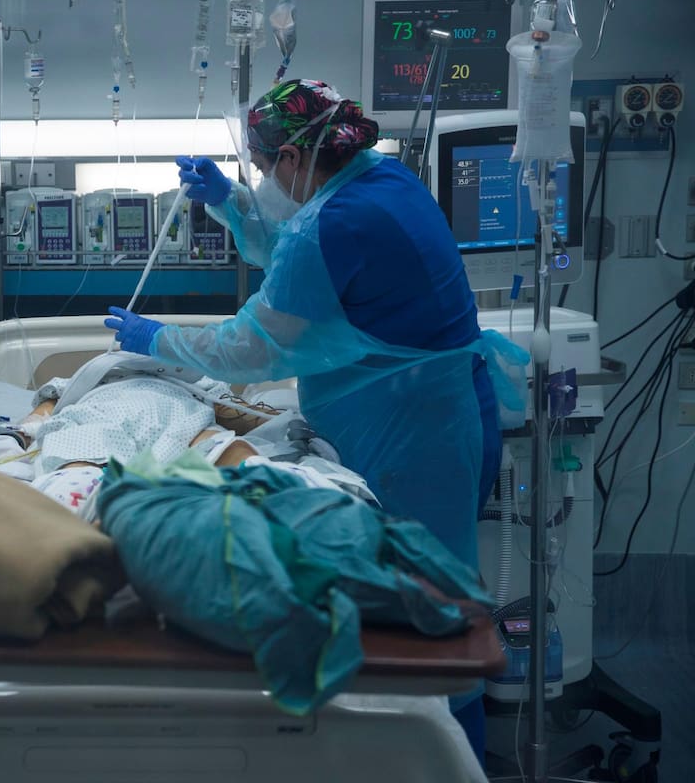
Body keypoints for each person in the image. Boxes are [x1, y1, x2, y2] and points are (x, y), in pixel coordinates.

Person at [105, 79, 526, 763]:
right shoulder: (384, 180)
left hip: (409, 438)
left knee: (435, 624)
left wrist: (157, 339)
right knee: (428, 601)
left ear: (295, 159)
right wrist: (230, 201)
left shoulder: (331, 225)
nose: (263, 180)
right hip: (446, 414)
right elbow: (304, 252)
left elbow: (252, 348)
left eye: (262, 168)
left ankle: (445, 762)